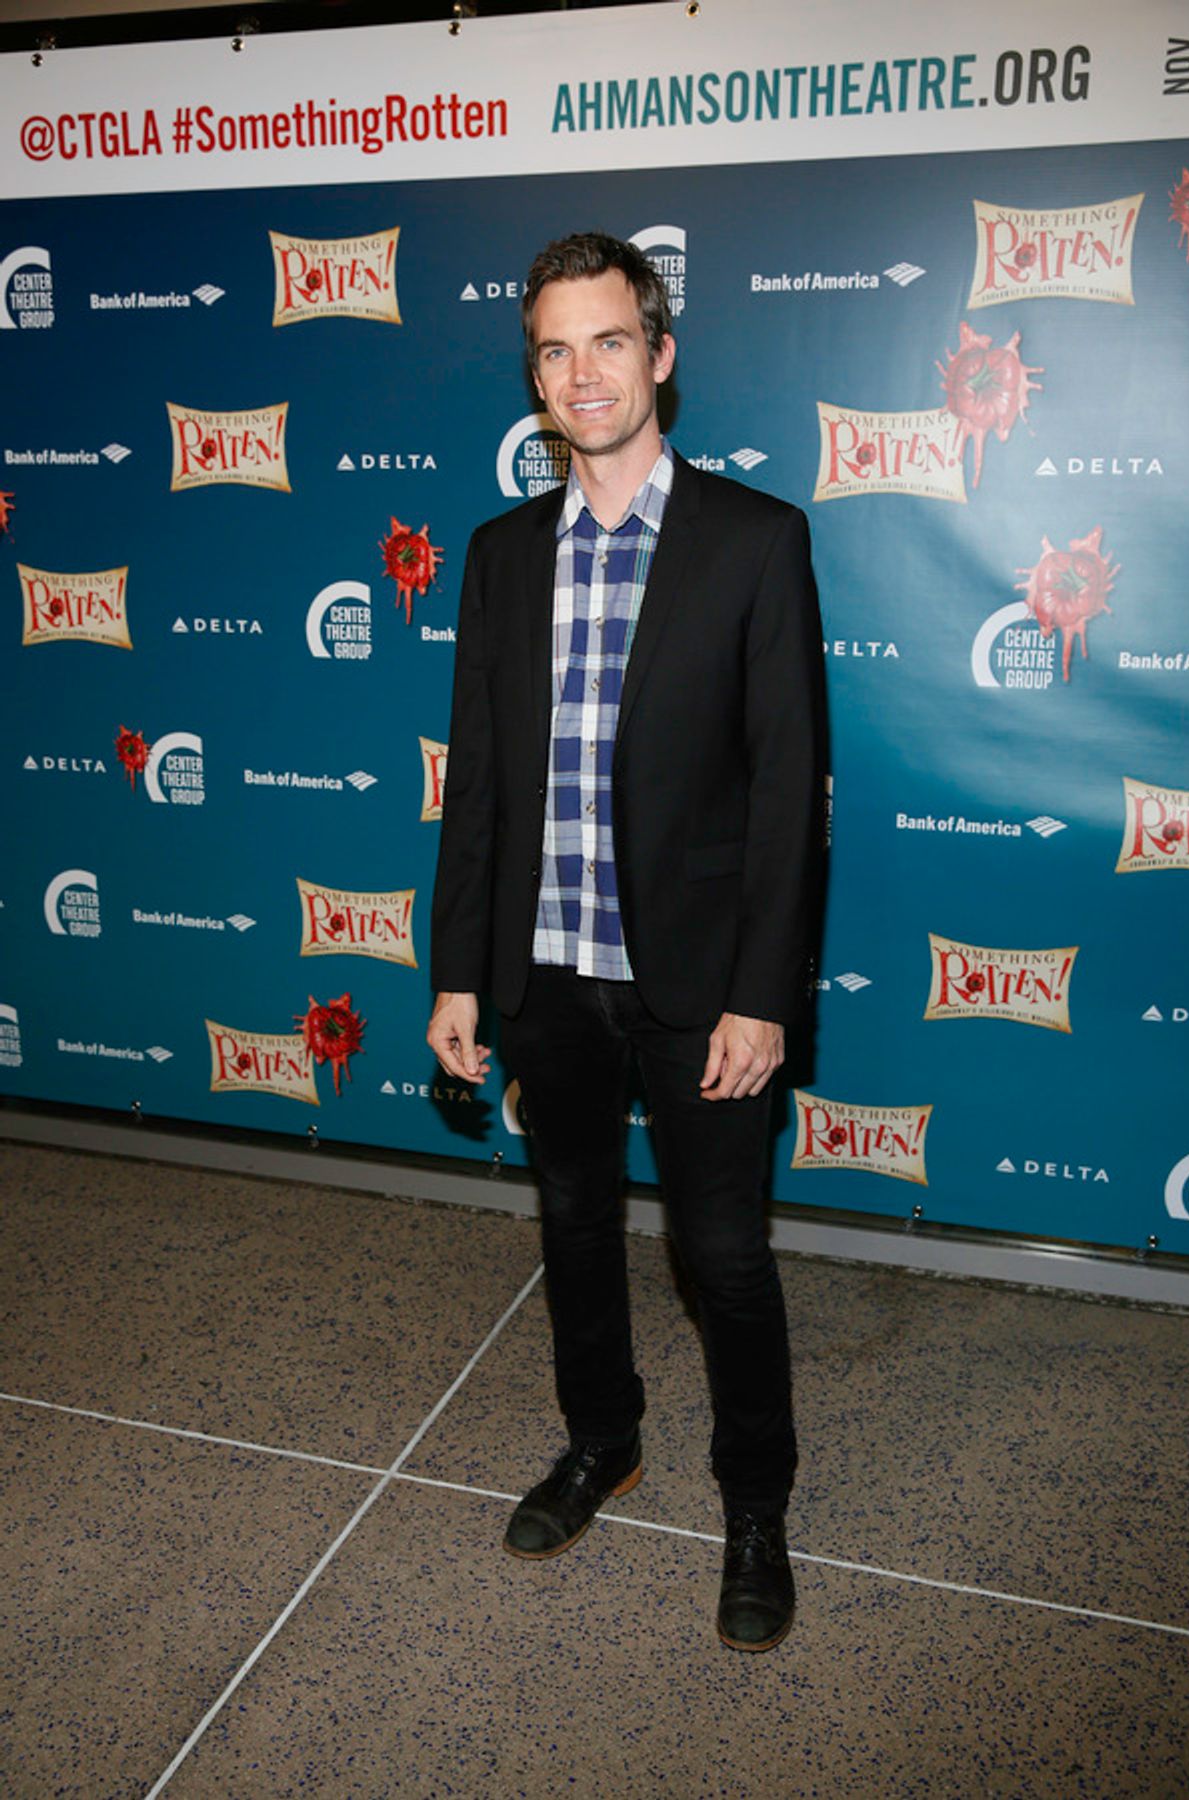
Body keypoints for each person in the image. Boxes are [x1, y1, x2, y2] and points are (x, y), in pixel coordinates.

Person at [428, 231, 826, 1652]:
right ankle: (604, 1443)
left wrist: (764, 995)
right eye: (554, 348)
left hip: (701, 992)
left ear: (658, 354)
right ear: (533, 375)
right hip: (545, 977)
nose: (582, 372)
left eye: (608, 341)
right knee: (576, 1230)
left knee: (723, 1259)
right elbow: (476, 779)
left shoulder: (756, 540)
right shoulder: (497, 557)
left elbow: (789, 793)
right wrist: (460, 972)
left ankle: (758, 1505)